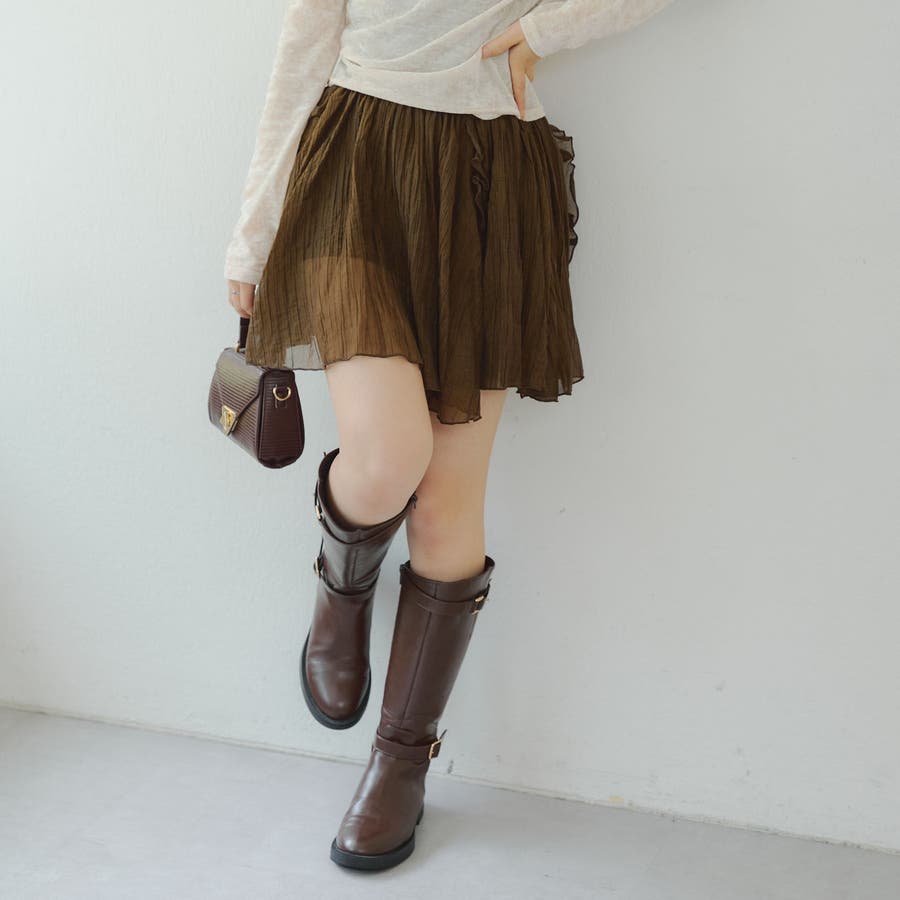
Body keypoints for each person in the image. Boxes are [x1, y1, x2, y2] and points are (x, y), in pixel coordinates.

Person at [223, 0, 674, 871]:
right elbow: (303, 46)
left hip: (489, 179)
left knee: (446, 503)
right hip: (358, 165)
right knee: (389, 456)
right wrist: (252, 234)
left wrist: (545, 32)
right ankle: (343, 584)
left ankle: (401, 761)